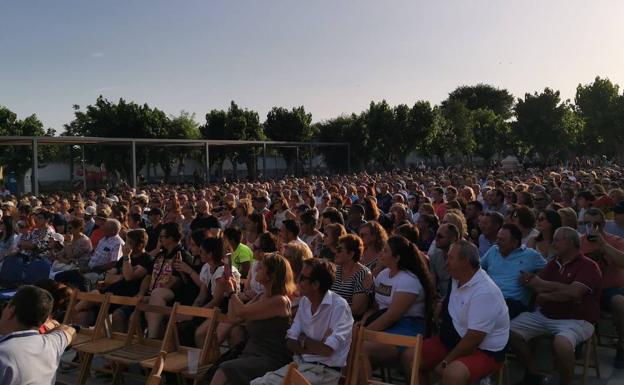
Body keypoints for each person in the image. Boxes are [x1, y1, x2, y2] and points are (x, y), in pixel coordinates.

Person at [404, 240, 509, 385]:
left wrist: (446, 362)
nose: (446, 263)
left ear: (465, 262)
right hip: (451, 342)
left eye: (451, 258)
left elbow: (474, 338)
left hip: (483, 351)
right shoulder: (456, 278)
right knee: (411, 356)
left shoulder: (485, 292)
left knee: (453, 373)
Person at [510, 227, 602, 385]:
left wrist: (546, 291)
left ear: (572, 242)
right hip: (545, 314)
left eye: (558, 240)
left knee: (562, 344)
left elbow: (574, 293)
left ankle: (565, 382)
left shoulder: (588, 266)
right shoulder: (554, 263)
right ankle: (534, 372)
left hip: (577, 319)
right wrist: (545, 288)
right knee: (508, 331)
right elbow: (536, 286)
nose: (553, 243)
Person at [250, 259, 353, 385]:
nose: (297, 280)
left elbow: (327, 350)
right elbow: (289, 341)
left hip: (324, 372)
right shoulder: (305, 302)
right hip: (300, 365)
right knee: (257, 383)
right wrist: (316, 345)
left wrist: (303, 339)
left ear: (315, 285)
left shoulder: (339, 307)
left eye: (303, 277)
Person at [360, 235, 436, 384]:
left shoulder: (409, 281)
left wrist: (365, 332)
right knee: (350, 345)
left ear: (397, 258)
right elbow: (376, 307)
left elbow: (392, 316)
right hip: (383, 324)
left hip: (406, 328)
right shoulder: (383, 275)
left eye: (386, 251)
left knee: (360, 349)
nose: (381, 254)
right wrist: (363, 322)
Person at [210, 254, 296, 385]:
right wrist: (231, 291)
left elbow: (242, 312)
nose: (256, 270)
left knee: (225, 370)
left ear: (271, 275)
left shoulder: (280, 301)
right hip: (251, 354)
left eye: (261, 268)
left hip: (270, 358)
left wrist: (232, 293)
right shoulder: (261, 296)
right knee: (216, 369)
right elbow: (234, 318)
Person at [0, 285, 76, 385]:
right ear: (44, 320)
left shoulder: (3, 353)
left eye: (5, 305)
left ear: (11, 311)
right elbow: (70, 330)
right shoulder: (52, 344)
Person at [579, 208, 624, 367]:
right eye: (587, 224)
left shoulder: (615, 241)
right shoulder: (578, 242)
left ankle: (622, 344)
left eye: (596, 224)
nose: (591, 228)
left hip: (610, 289)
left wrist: (603, 245)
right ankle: (575, 339)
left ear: (603, 224)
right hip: (586, 289)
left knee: (619, 301)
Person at [481, 224, 546, 318]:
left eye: (502, 240)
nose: (497, 242)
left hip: (512, 302)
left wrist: (534, 276)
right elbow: (477, 268)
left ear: (515, 243)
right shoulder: (493, 251)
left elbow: (550, 271)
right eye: (498, 238)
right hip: (489, 297)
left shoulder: (530, 255)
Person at [330, 234, 372, 319]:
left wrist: (329, 309)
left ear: (351, 254)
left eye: (339, 250)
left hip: (349, 320)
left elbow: (357, 309)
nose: (335, 252)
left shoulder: (363, 274)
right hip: (330, 316)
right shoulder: (336, 270)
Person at [429, 223, 460, 298]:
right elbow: (433, 283)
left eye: (440, 236)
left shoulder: (462, 259)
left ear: (453, 239)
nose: (436, 239)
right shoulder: (434, 257)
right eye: (436, 236)